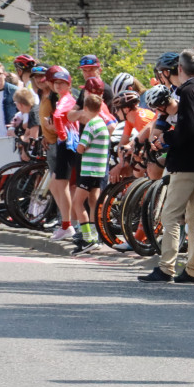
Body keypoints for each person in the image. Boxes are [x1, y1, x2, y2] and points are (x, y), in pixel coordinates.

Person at [139, 49, 194, 283]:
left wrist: (166, 139)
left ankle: (166, 267)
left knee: (170, 214)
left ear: (180, 69)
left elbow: (187, 129)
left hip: (185, 162)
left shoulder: (188, 93)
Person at [69, 94, 109, 254]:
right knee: (93, 202)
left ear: (85, 108)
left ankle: (87, 238)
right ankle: (94, 236)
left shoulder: (91, 125)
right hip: (99, 170)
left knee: (77, 203)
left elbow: (81, 147)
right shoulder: (102, 123)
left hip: (88, 170)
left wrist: (76, 143)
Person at [48, 66, 78, 240]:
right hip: (65, 144)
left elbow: (59, 116)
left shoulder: (67, 99)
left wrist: (61, 133)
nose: (58, 86)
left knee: (62, 184)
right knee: (55, 184)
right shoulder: (63, 99)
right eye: (56, 83)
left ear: (69, 83)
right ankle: (66, 222)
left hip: (67, 145)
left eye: (62, 83)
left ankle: (67, 224)